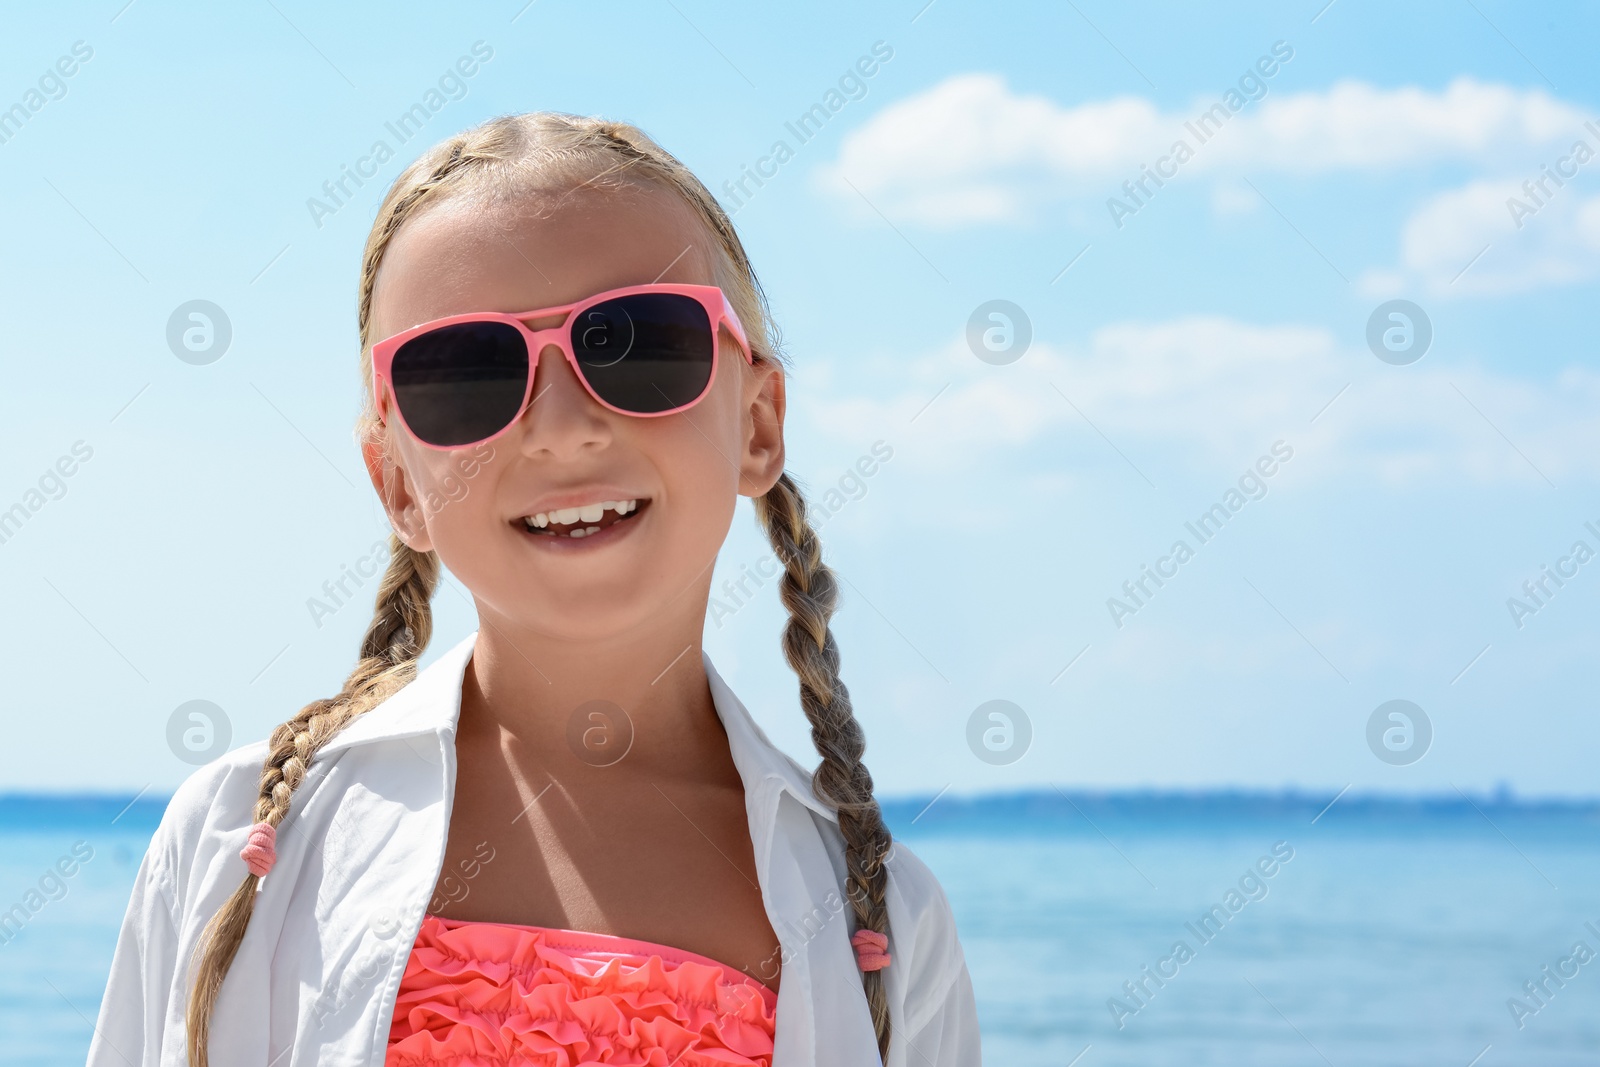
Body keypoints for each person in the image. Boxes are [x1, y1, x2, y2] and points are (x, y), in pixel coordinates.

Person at [88, 111, 981, 1067]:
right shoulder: (232, 842)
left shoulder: (881, 926)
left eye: (639, 344)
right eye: (465, 374)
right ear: (397, 482)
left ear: (758, 423)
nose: (561, 426)